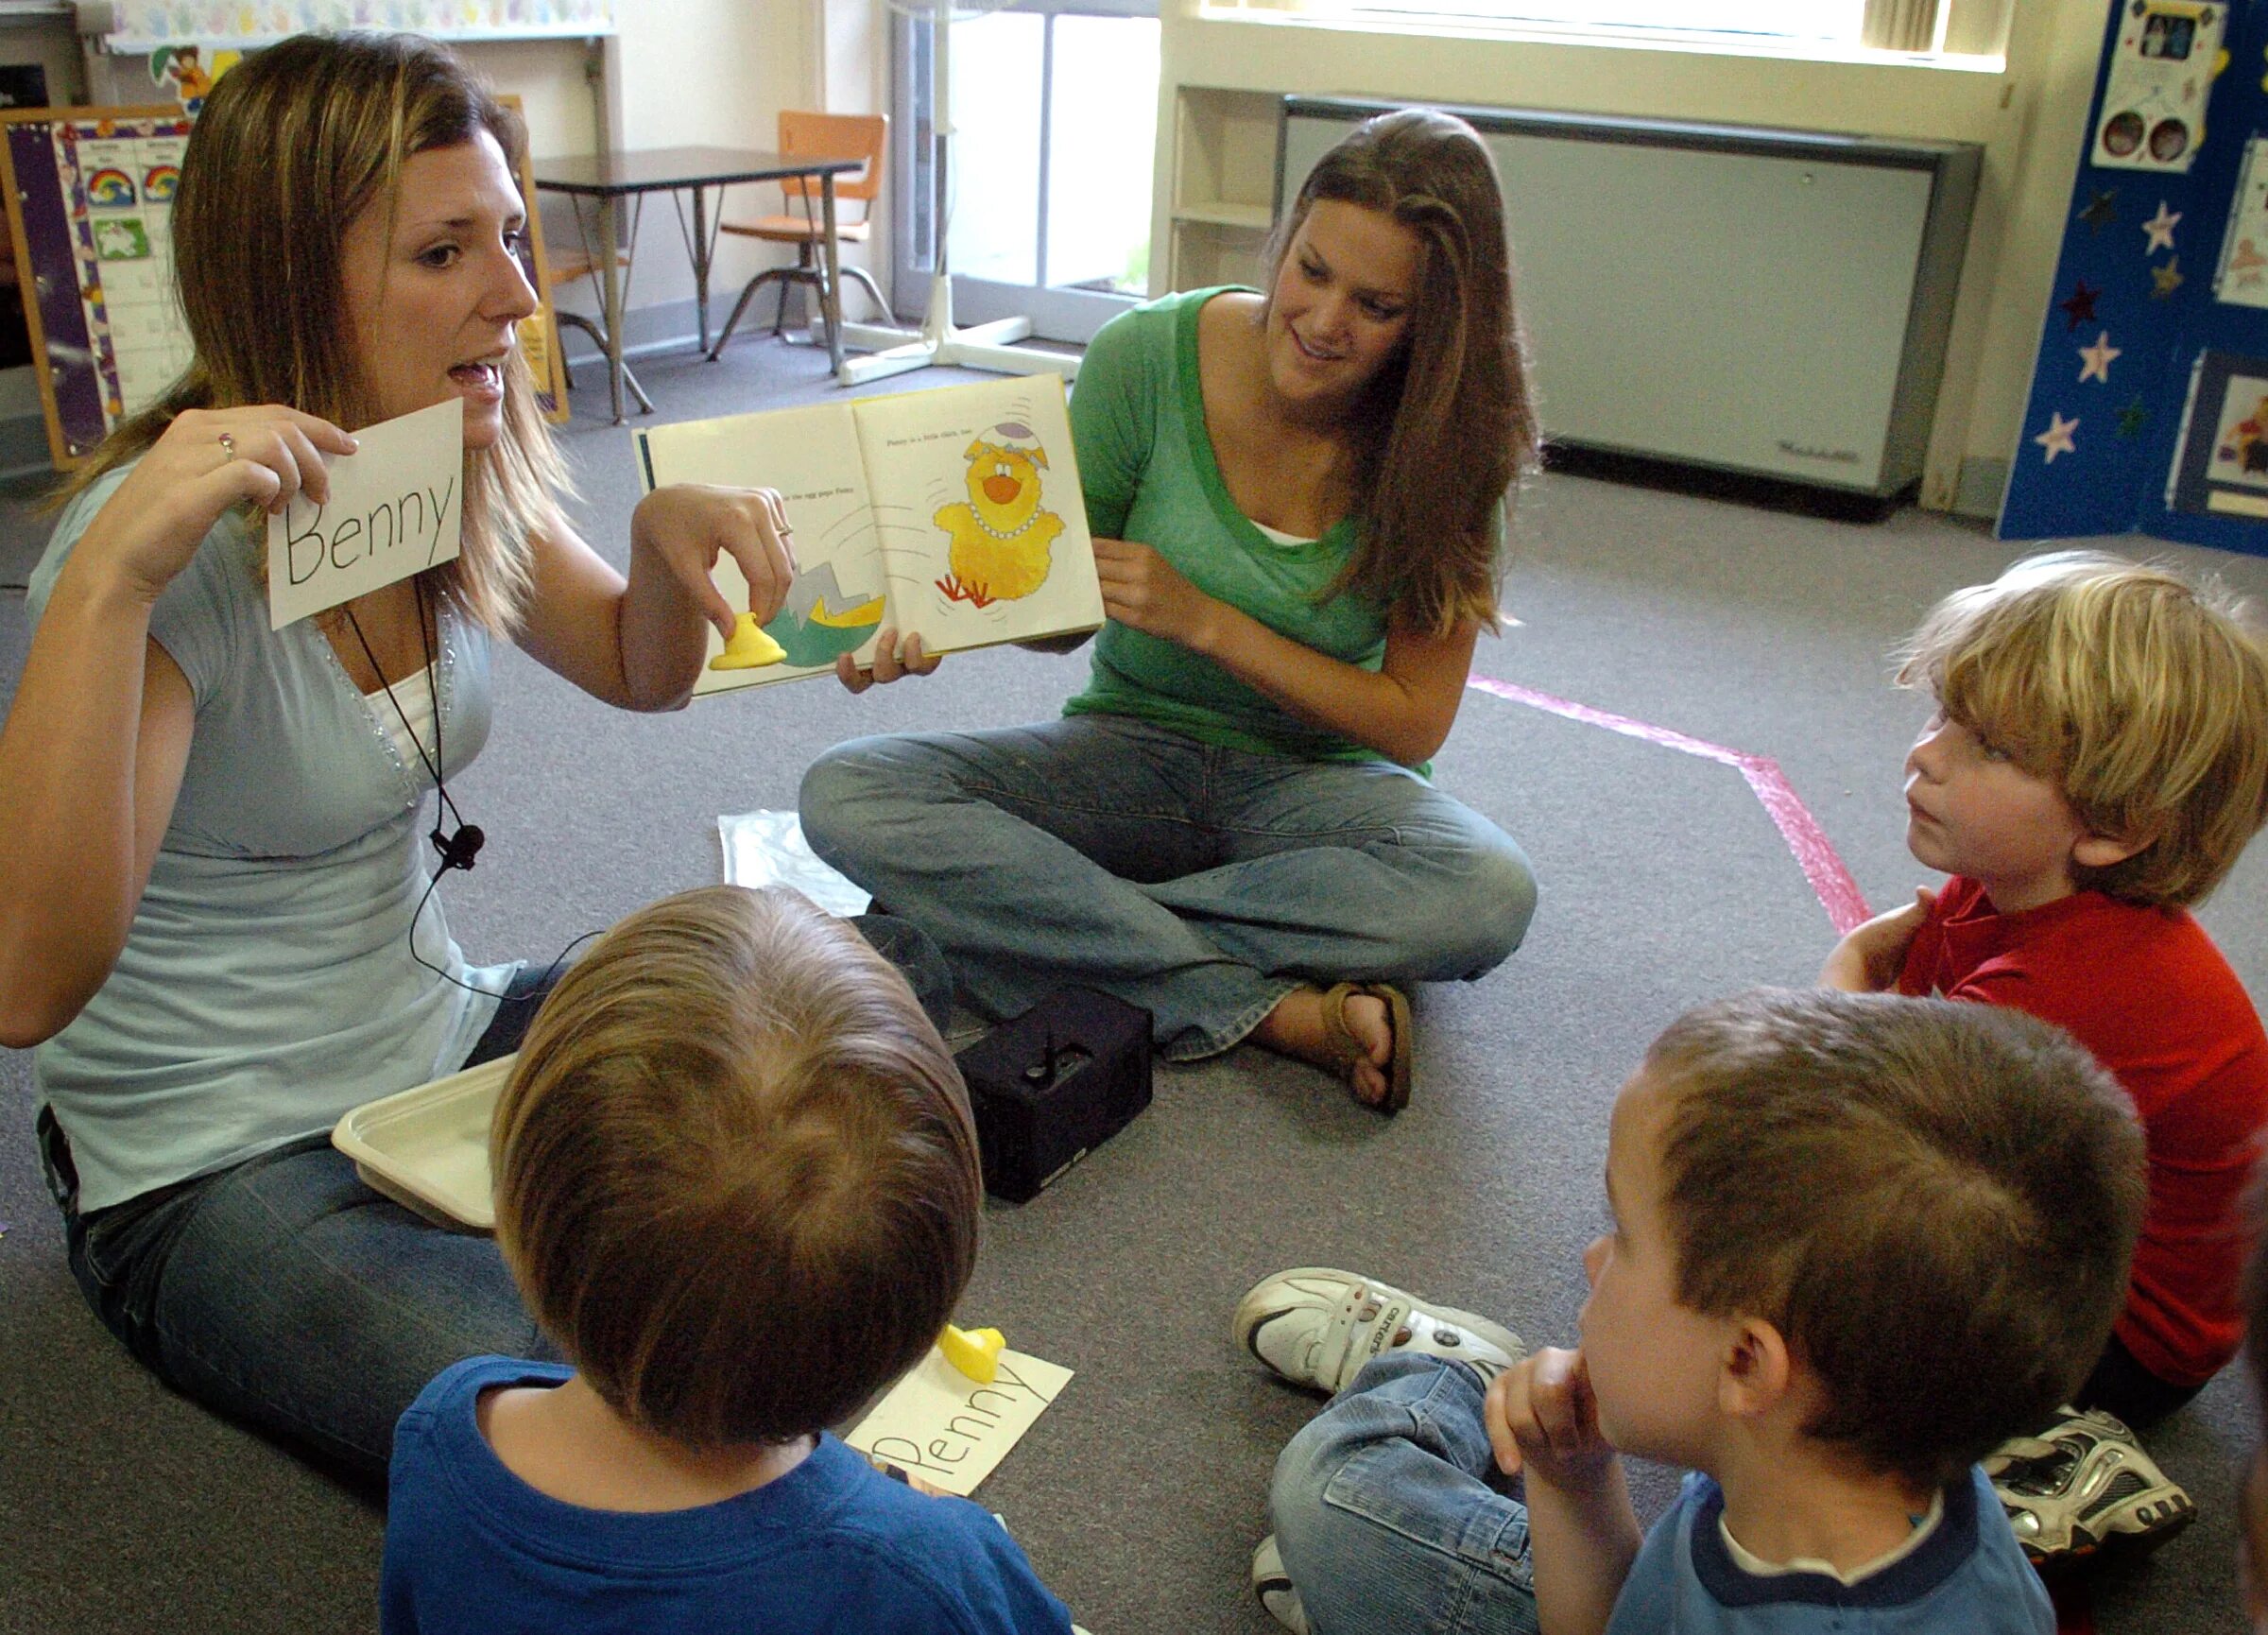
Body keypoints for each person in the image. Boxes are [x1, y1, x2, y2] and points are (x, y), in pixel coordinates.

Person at [0, 31, 947, 1482]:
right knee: (609, 1419)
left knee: (828, 990)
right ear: (285, 278)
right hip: (213, 1163)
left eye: (509, 236)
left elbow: (637, 669)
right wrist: (109, 582)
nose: (514, 297)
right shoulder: (153, 555)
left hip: (439, 1039)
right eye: (446, 252)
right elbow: (27, 982)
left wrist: (656, 541)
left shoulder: (435, 452)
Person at [799, 108, 1539, 1112]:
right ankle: (1269, 1008)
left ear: (1435, 326)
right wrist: (945, 615)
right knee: (844, 792)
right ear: (1284, 244)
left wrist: (1214, 623)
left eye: (1376, 305)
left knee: (1488, 893)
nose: (1323, 321)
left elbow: (1414, 716)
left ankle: (1038, 922)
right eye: (1310, 270)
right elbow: (1059, 607)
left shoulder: (1454, 443)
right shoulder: (1145, 357)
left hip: (1319, 789)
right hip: (1129, 751)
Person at [1233, 989, 2145, 1635]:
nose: (1592, 1261)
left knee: (1330, 1488)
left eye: (1621, 1237)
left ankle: (1440, 1379)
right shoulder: (1868, 1444)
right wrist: (1571, 1478)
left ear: (1748, 1365)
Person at [380, 886, 1071, 1635]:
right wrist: (932, 1535)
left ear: (516, 1211)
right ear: (926, 1299)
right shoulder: (927, 1573)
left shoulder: (442, 1433)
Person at [1821, 549, 2268, 1557]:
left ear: (2113, 827)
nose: (1926, 755)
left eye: (1988, 748)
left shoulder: (2069, 987)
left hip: (2126, 1338)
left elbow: (1847, 1122)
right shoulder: (2009, 884)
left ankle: (2054, 1466)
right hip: (2052, 1214)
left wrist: (1844, 972)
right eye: (1942, 712)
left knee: (1813, 1325)